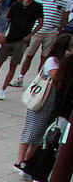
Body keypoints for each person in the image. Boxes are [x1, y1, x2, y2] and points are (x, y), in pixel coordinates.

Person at [15, 33, 71, 170]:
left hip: (54, 103)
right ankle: (20, 160)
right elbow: (57, 77)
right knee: (32, 130)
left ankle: (29, 159)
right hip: (42, 100)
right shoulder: (52, 61)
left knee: (42, 133)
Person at [15, 0, 70, 84]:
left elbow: (64, 18)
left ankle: (38, 79)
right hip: (38, 31)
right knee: (29, 54)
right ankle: (21, 77)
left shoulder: (66, 1)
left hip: (51, 32)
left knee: (45, 57)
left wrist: (59, 31)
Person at [0, 0, 41, 98]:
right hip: (9, 38)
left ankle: (2, 89)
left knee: (13, 65)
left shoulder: (37, 7)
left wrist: (30, 36)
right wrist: (3, 34)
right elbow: (7, 20)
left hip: (21, 41)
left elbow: (40, 23)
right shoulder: (16, 5)